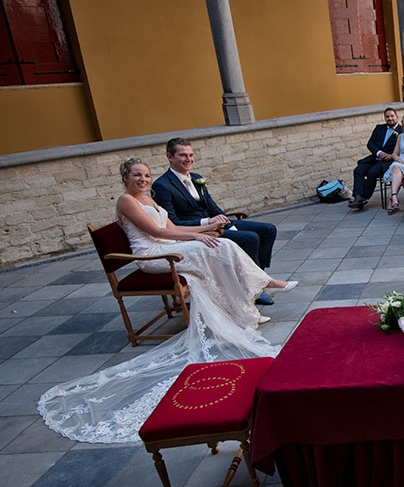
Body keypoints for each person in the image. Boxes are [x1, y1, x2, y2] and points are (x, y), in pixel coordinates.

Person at [38, 159, 295, 445]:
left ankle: (248, 296)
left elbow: (171, 226)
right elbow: (158, 234)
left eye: (146, 175)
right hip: (153, 256)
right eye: (137, 175)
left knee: (220, 244)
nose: (143, 179)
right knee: (215, 249)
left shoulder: (148, 198)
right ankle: (260, 285)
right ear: (125, 177)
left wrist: (206, 230)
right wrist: (199, 235)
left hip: (168, 247)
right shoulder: (126, 201)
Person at [152, 138, 279, 305]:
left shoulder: (197, 178)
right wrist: (207, 222)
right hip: (198, 231)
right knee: (250, 238)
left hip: (216, 224)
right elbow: (173, 222)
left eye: (191, 155)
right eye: (183, 155)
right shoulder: (162, 185)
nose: (189, 159)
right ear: (170, 156)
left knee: (268, 230)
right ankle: (253, 288)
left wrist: (227, 222)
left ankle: (257, 279)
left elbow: (212, 206)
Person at [350, 107, 401, 210]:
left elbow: (403, 148)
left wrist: (392, 155)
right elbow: (370, 143)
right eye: (387, 117)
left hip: (388, 161)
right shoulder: (379, 128)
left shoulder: (401, 131)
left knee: (372, 173)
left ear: (396, 117)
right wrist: (378, 152)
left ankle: (364, 197)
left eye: (392, 116)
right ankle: (359, 197)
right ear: (384, 118)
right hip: (375, 158)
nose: (390, 118)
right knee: (358, 170)